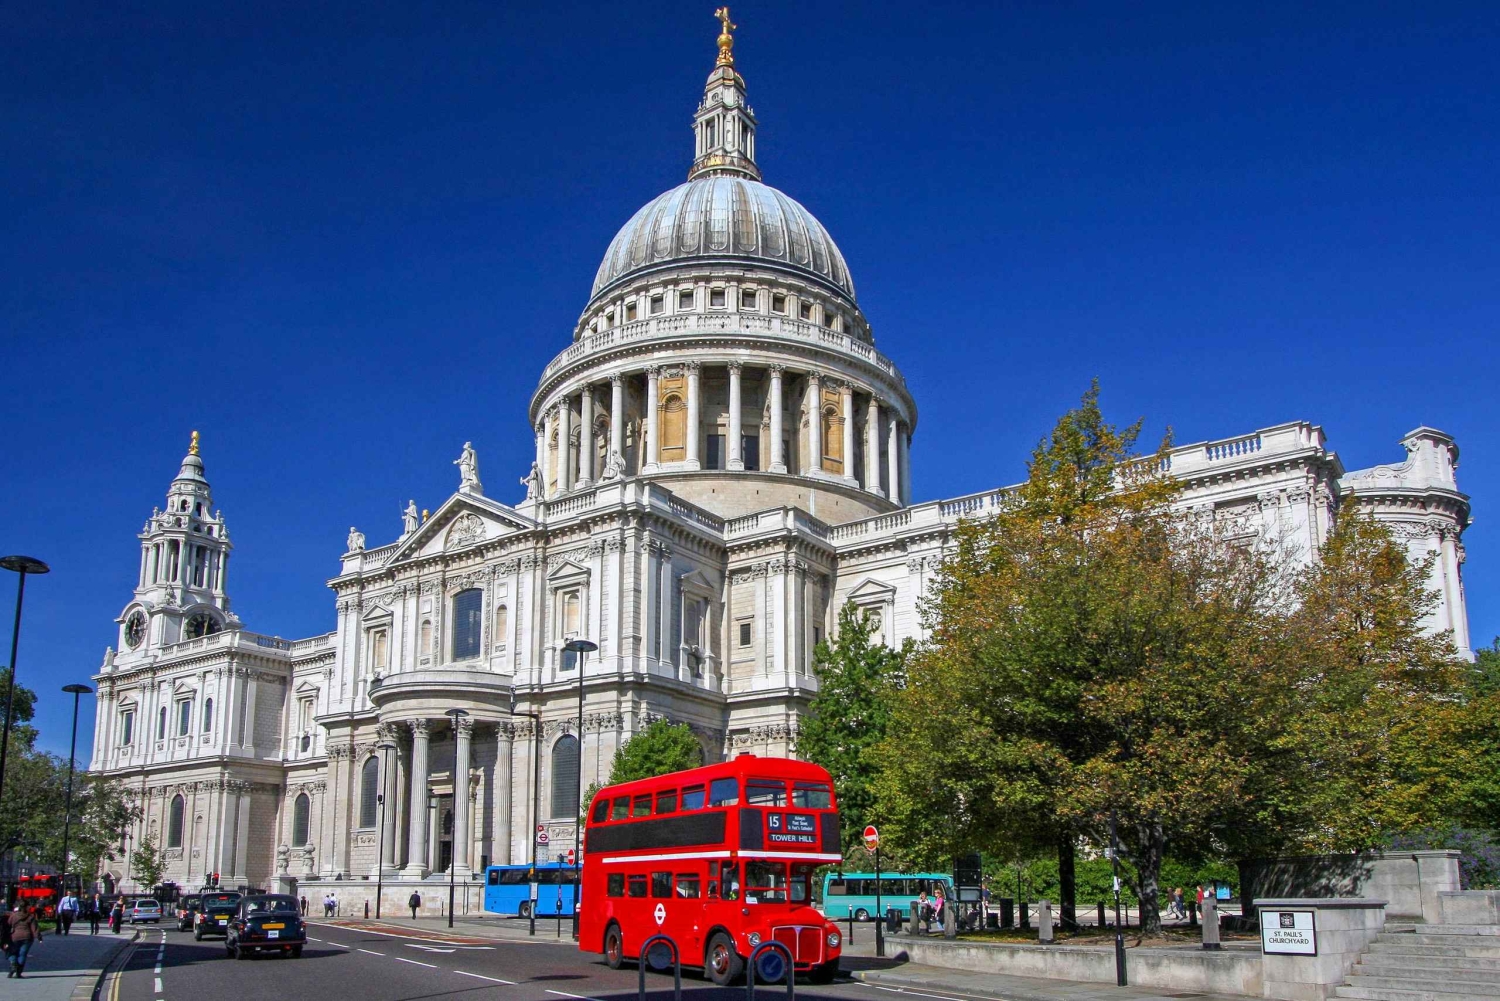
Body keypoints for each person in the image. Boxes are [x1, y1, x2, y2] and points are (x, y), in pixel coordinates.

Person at [6, 903, 43, 978]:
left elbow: (8, 925)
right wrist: (39, 937)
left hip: (15, 937)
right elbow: (34, 928)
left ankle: (13, 964)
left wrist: (6, 936)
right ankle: (18, 973)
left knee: (11, 952)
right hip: (27, 937)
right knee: (22, 954)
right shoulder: (30, 916)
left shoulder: (13, 916)